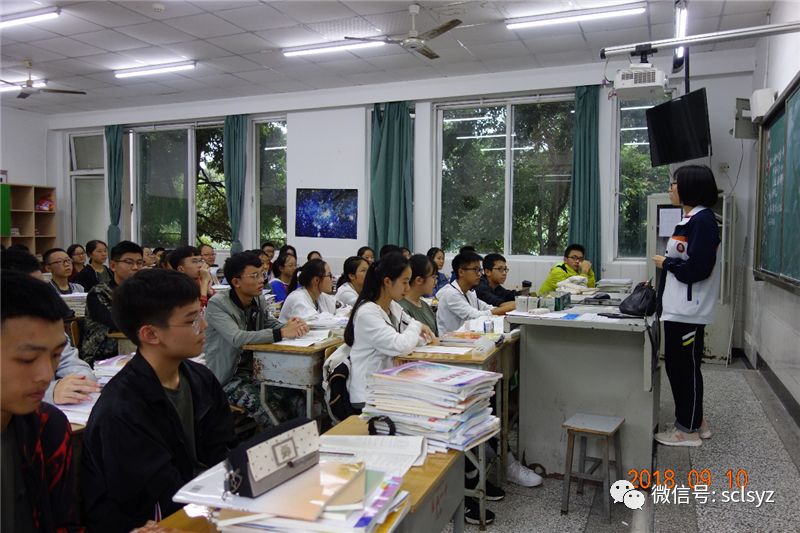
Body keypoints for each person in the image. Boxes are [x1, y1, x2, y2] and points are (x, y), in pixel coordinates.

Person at [81, 269, 236, 532]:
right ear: (151, 335)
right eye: (191, 320)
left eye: (200, 314)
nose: (204, 325)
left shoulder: (200, 379)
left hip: (206, 503)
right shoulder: (122, 409)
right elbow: (152, 496)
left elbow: (224, 451)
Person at [1, 271, 83, 532]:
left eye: (56, 355)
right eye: (27, 359)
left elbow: (64, 524)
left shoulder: (48, 426)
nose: (47, 375)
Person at [652, 165, 720, 447]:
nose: (670, 188)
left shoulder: (702, 221)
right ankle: (694, 421)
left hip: (688, 310)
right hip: (680, 308)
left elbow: (700, 268)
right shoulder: (691, 219)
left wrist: (666, 263)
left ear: (690, 187)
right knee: (681, 367)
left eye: (674, 183)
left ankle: (688, 431)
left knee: (684, 369)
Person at [204, 252, 309, 428]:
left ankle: (302, 440)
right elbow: (237, 338)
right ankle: (276, 446)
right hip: (228, 377)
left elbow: (268, 322)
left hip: (256, 371)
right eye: (255, 276)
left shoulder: (258, 298)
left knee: (296, 395)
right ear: (236, 282)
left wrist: (289, 326)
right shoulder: (218, 304)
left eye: (262, 274)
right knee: (268, 409)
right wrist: (282, 333)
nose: (262, 280)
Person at [1, 248, 99, 405]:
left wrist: (80, 382)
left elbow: (73, 363)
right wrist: (51, 391)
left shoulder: (47, 325)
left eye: (41, 288)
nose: (38, 297)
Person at [345, 252, 435, 410]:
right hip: (368, 395)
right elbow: (401, 344)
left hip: (388, 386)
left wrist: (417, 332)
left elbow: (415, 338)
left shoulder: (393, 306)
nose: (408, 288)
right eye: (405, 282)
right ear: (387, 281)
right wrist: (417, 325)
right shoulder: (367, 313)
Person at [82, 240, 144, 364]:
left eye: (139, 262)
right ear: (113, 266)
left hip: (134, 348)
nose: (135, 267)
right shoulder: (99, 293)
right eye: (129, 262)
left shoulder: (144, 291)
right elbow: (118, 322)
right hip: (102, 355)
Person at [436, 251, 516, 335]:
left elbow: (487, 308)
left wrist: (509, 309)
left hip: (465, 339)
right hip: (450, 344)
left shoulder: (469, 292)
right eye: (475, 270)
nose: (479, 274)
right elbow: (474, 316)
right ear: (461, 272)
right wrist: (507, 309)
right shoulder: (451, 294)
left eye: (480, 270)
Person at [399, 254, 438, 335]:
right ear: (419, 280)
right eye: (433, 277)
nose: (436, 282)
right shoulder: (401, 308)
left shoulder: (425, 305)